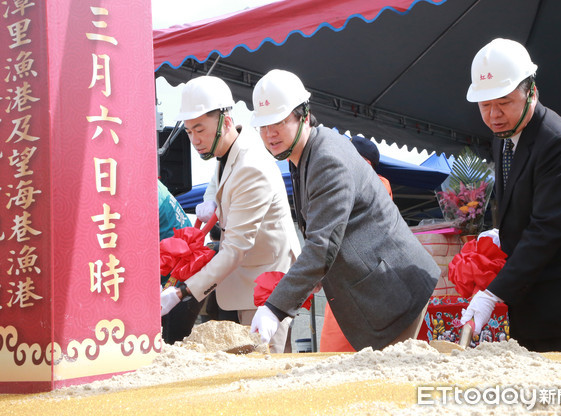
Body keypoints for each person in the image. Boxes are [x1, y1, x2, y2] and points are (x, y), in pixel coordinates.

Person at [249, 69, 440, 351]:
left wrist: (275, 308)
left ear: (303, 114)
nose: (270, 134)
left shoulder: (326, 158)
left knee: (387, 388)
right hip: (374, 290)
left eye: (278, 122)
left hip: (392, 293)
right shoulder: (302, 152)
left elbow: (322, 245)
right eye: (263, 126)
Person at [461, 38, 561, 353]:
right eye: (485, 105)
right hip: (531, 306)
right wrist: (500, 234)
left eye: (504, 102)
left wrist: (492, 294)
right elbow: (520, 204)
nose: (494, 115)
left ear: (531, 93)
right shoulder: (503, 137)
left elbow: (546, 231)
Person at [160, 76, 301, 353]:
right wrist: (210, 198)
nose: (194, 140)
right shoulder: (231, 146)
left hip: (264, 284)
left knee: (265, 373)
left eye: (199, 129)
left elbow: (235, 248)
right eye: (189, 132)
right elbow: (220, 178)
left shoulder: (251, 166)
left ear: (225, 121)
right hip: (242, 280)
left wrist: (180, 292)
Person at [319, 135, 394, 352]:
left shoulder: (378, 185)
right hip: (344, 281)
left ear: (366, 163)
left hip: (363, 281)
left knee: (351, 353)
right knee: (334, 352)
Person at [157, 179, 204, 344]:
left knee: (169, 346)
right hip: (177, 279)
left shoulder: (146, 191)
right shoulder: (152, 185)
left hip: (177, 286)